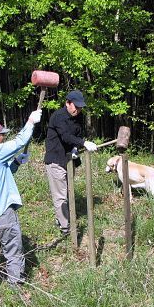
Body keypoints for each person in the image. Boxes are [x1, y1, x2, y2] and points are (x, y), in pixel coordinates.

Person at [0, 109, 41, 293]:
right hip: (3, 212)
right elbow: (20, 141)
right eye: (1, 135)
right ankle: (15, 288)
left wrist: (17, 162)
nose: (3, 138)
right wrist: (31, 122)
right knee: (13, 250)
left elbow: (1, 173)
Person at [44, 90, 97, 235]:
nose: (78, 110)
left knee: (67, 191)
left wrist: (76, 147)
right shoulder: (58, 116)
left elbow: (77, 134)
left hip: (69, 159)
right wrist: (83, 143)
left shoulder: (78, 117)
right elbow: (66, 136)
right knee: (60, 195)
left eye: (80, 108)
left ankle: (61, 219)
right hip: (56, 160)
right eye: (76, 106)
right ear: (67, 103)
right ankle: (65, 228)